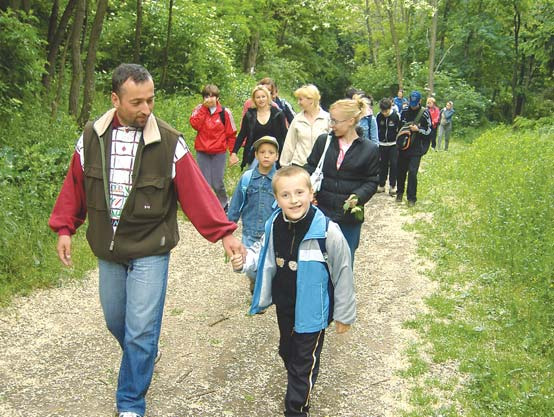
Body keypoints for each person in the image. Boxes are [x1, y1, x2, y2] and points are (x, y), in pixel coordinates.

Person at [48, 64, 245, 417]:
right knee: (116, 321)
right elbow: (75, 185)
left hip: (151, 247)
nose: (146, 109)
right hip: (108, 249)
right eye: (137, 102)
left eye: (150, 100)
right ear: (115, 99)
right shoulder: (92, 136)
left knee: (140, 330)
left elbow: (197, 193)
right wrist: (65, 228)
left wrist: (225, 232)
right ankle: (144, 352)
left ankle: (130, 402)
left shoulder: (169, 141)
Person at [230, 166, 356, 417]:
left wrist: (344, 314)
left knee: (301, 363)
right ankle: (305, 374)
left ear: (311, 193)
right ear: (276, 199)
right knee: (287, 352)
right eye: (285, 195)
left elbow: (343, 273)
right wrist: (245, 263)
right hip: (285, 305)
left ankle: (296, 408)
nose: (294, 199)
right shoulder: (274, 223)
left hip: (313, 311)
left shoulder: (327, 231)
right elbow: (261, 252)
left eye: (300, 192)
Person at [305, 96, 379, 266]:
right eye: (331, 120)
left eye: (336, 121)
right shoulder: (324, 142)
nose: (332, 125)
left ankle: (341, 293)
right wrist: (306, 189)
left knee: (343, 265)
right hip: (321, 214)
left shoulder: (369, 149)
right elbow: (310, 167)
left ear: (351, 120)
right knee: (317, 263)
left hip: (348, 220)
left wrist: (357, 197)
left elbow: (372, 181)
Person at [227, 136, 279, 284]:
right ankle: (255, 283)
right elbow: (236, 205)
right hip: (250, 232)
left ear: (277, 156)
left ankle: (264, 293)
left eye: (271, 152)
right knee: (249, 266)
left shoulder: (279, 180)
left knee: (270, 265)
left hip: (271, 233)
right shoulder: (247, 178)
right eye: (262, 152)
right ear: (256, 155)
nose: (266, 155)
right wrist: (228, 230)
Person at [189, 84, 237, 210]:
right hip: (202, 151)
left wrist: (233, 153)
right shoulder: (199, 109)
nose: (209, 99)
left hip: (219, 151)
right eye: (206, 96)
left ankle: (224, 203)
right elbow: (195, 125)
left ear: (217, 98)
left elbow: (231, 134)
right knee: (204, 182)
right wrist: (204, 110)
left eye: (212, 96)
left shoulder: (225, 112)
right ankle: (206, 206)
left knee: (217, 182)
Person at [230, 85, 287, 170]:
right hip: (255, 153)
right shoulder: (249, 115)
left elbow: (285, 135)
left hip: (274, 153)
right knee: (253, 178)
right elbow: (242, 135)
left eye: (263, 96)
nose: (261, 99)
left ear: (268, 97)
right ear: (254, 100)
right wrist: (234, 153)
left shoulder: (278, 114)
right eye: (258, 97)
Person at [279, 84, 330, 167]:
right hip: (299, 165)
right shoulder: (297, 120)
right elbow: (289, 144)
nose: (298, 103)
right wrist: (284, 166)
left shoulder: (327, 119)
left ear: (311, 100)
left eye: (300, 99)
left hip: (321, 166)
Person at [396, 90, 432, 206]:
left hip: (416, 148)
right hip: (403, 147)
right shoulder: (404, 110)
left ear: (420, 101)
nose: (413, 105)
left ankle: (411, 198)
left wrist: (418, 130)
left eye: (415, 103)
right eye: (412, 103)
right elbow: (399, 127)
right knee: (401, 171)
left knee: (412, 173)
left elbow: (430, 131)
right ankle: (399, 193)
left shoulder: (425, 113)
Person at [376, 97, 402, 195]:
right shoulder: (378, 116)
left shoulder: (396, 116)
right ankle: (381, 185)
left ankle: (392, 186)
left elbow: (400, 130)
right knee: (382, 165)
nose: (384, 113)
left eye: (386, 111)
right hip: (382, 144)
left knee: (394, 165)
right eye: (383, 111)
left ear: (390, 108)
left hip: (393, 144)